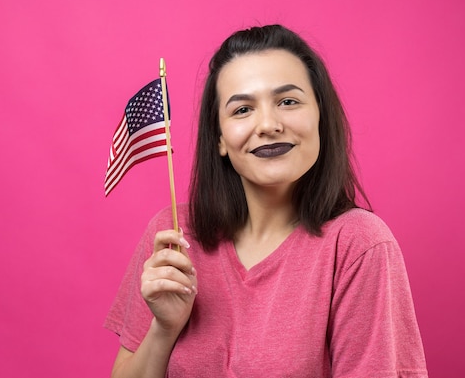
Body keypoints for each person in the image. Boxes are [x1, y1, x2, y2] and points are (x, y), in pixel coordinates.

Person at [105, 24, 428, 377]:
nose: (268, 124)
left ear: (320, 116)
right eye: (242, 110)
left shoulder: (358, 244)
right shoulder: (173, 235)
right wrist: (164, 329)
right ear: (220, 139)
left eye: (288, 102)